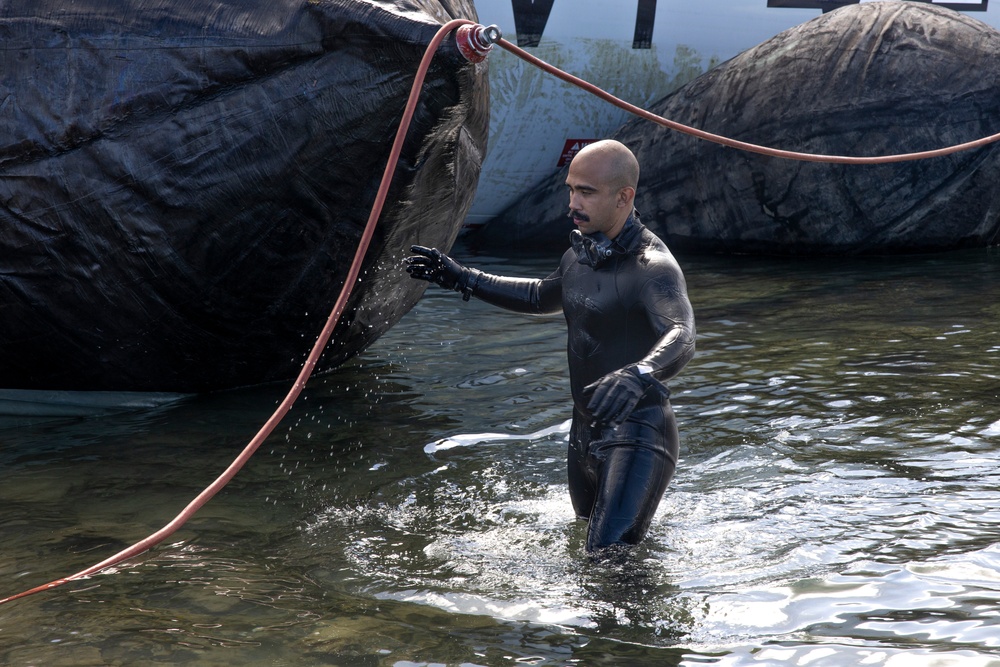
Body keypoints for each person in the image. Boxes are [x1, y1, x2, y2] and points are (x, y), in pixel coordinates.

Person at [405, 139, 696, 554]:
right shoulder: (579, 254)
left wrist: (641, 372)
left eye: (587, 192)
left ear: (624, 197)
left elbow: (682, 333)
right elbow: (543, 296)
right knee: (587, 549)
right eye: (571, 189)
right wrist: (463, 278)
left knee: (607, 561)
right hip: (584, 432)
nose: (572, 203)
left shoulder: (653, 268)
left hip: (638, 435)